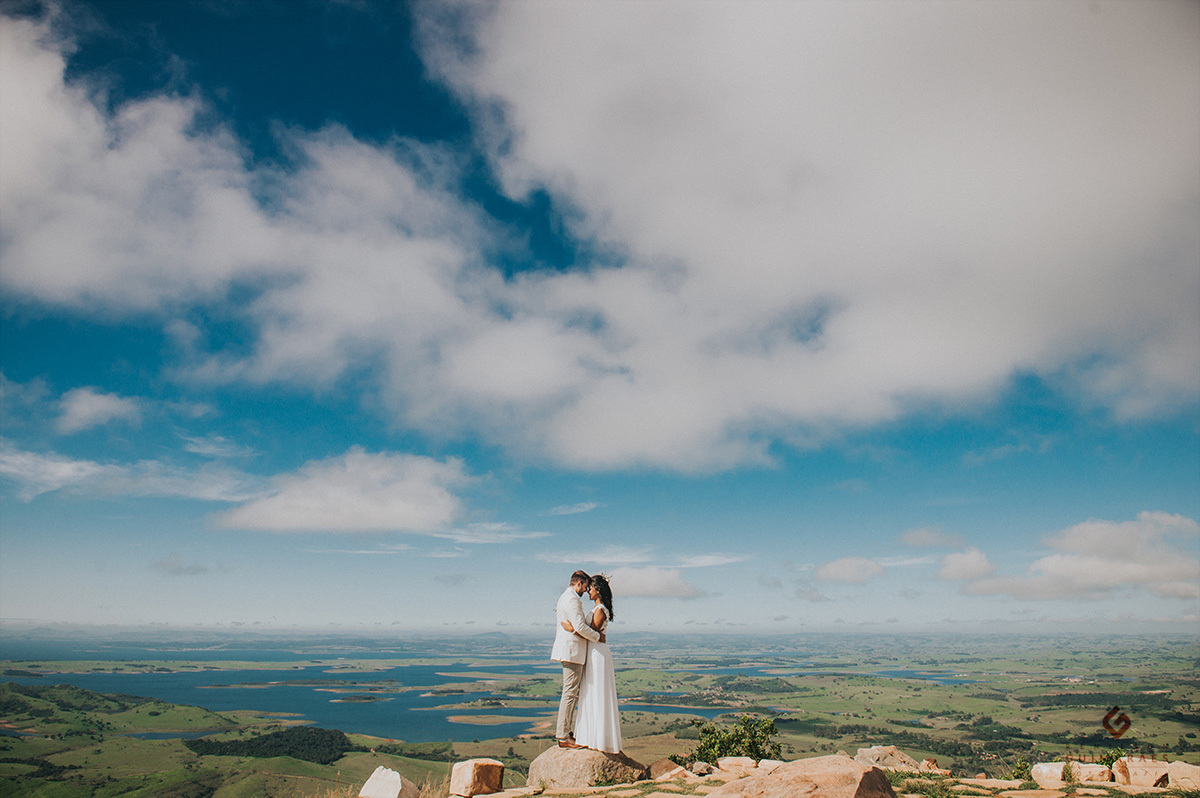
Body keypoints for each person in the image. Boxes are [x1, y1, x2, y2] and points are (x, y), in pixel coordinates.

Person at [569, 573, 622, 753]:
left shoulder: (600, 610)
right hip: (593, 653)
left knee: (597, 692)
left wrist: (571, 627)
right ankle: (590, 736)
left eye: (590, 588)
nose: (587, 591)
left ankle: (598, 739)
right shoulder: (596, 609)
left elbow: (591, 632)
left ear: (597, 590)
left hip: (597, 654)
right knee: (590, 692)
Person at [551, 570, 601, 749]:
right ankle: (563, 736)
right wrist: (597, 636)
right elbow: (579, 626)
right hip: (572, 651)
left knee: (571, 693)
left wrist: (573, 628)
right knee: (570, 694)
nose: (586, 590)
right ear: (579, 583)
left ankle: (565, 733)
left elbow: (575, 626)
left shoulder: (566, 597)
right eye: (585, 586)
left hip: (572, 651)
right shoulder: (571, 599)